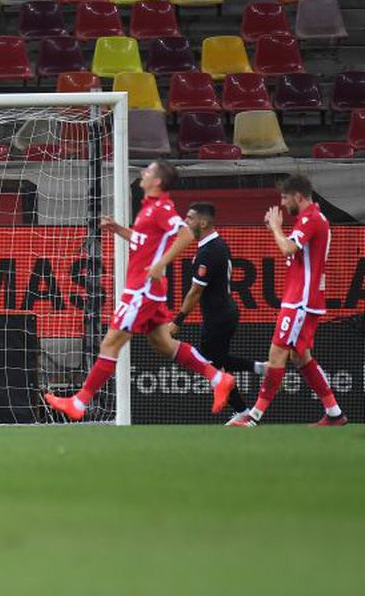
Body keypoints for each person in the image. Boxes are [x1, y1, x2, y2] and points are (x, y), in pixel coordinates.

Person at [45, 160, 236, 421]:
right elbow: (144, 240)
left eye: (149, 170)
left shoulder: (162, 207)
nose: (143, 173)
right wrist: (118, 229)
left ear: (157, 181)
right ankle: (217, 377)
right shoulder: (149, 209)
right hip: (148, 291)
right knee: (164, 345)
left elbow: (186, 235)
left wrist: (161, 263)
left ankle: (79, 402)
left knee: (110, 343)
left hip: (142, 291)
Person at [228, 175, 347, 427]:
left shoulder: (311, 218)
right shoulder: (311, 219)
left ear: (298, 196)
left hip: (301, 301)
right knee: (300, 357)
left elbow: (287, 249)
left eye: (284, 197)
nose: (282, 203)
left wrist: (275, 227)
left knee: (277, 353)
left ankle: (253, 417)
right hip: (303, 299)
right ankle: (334, 413)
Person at [170, 202, 264, 421]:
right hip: (222, 314)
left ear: (203, 222)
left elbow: (195, 291)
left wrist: (178, 320)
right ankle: (259, 369)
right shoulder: (213, 245)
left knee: (208, 364)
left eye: (190, 218)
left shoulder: (210, 251)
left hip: (218, 317)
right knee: (213, 360)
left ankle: (243, 412)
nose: (186, 221)